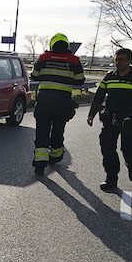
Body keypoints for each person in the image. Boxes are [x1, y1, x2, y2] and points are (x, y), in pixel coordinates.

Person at [87, 48, 132, 191]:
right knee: (107, 148)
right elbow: (99, 96)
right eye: (116, 59)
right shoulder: (109, 77)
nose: (118, 62)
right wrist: (91, 114)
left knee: (128, 150)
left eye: (122, 60)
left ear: (130, 61)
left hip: (131, 120)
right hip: (111, 118)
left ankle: (131, 163)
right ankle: (111, 179)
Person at [30, 33, 85, 175]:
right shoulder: (74, 60)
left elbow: (34, 76)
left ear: (52, 44)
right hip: (63, 101)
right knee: (58, 129)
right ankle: (55, 157)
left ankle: (40, 164)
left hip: (44, 100)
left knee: (42, 130)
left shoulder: (43, 57)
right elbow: (80, 80)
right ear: (67, 44)